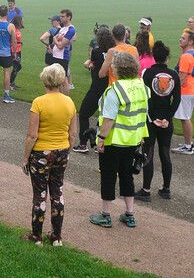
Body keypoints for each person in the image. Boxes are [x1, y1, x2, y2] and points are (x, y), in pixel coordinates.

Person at [90, 52, 149, 229]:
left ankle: (106, 214)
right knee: (127, 176)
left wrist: (101, 139)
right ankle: (129, 214)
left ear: (116, 69)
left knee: (108, 176)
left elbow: (108, 118)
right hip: (133, 139)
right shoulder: (141, 86)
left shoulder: (115, 90)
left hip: (114, 140)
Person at [21, 64, 77, 246]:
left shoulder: (39, 102)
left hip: (41, 153)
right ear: (61, 81)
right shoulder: (69, 102)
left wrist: (25, 158)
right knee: (57, 192)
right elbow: (72, 133)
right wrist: (67, 150)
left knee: (40, 194)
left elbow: (32, 135)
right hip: (61, 151)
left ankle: (36, 236)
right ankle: (56, 236)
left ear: (44, 80)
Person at [136, 41, 181, 201]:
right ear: (167, 57)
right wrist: (167, 118)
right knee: (165, 154)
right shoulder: (174, 75)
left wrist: (152, 118)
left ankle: (146, 190)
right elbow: (176, 100)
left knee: (148, 154)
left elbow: (144, 98)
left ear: (154, 56)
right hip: (166, 121)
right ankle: (166, 189)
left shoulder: (147, 73)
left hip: (151, 120)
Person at [73, 26, 115, 153]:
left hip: (97, 88)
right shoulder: (114, 52)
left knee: (84, 114)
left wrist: (90, 65)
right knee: (104, 116)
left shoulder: (96, 52)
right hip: (110, 90)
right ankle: (101, 143)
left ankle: (83, 143)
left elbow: (92, 64)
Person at [171, 30, 194, 154]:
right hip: (192, 89)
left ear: (190, 41)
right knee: (187, 116)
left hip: (186, 91)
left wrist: (173, 90)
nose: (180, 39)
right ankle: (189, 142)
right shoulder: (191, 53)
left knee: (184, 118)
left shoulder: (185, 56)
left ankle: (188, 146)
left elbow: (181, 77)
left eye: (183, 38)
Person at [50, 9, 75, 93]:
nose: (61, 18)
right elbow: (58, 41)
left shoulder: (71, 29)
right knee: (58, 80)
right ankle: (60, 97)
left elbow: (60, 46)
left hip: (62, 57)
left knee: (64, 80)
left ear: (69, 17)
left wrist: (54, 38)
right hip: (56, 56)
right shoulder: (63, 28)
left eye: (63, 16)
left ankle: (65, 99)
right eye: (60, 16)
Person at [10, 15, 24, 89]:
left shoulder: (17, 29)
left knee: (17, 66)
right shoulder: (14, 30)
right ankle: (10, 83)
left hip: (18, 50)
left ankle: (11, 82)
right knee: (17, 66)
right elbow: (12, 41)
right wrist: (14, 52)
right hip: (14, 50)